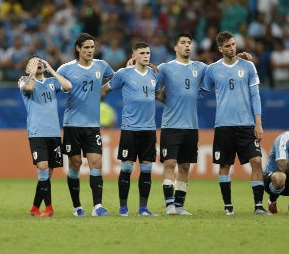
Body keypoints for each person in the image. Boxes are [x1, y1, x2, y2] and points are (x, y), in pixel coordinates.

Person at [201, 31, 269, 215]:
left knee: (256, 160)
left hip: (247, 124)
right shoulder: (213, 69)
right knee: (224, 165)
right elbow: (201, 91)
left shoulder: (248, 66)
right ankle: (228, 207)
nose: (232, 48)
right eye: (228, 46)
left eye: (233, 44)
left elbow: (255, 96)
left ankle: (258, 206)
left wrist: (258, 123)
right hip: (223, 125)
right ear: (220, 48)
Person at [57, 33, 115, 216]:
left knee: (96, 163)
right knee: (75, 164)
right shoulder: (66, 69)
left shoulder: (102, 66)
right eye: (87, 48)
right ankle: (77, 207)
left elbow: (116, 79)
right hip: (72, 124)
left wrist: (104, 90)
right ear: (78, 49)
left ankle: (98, 206)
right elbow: (55, 87)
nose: (90, 51)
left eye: (92, 47)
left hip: (92, 125)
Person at [101, 42, 159, 217]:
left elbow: (160, 94)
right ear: (134, 56)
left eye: (148, 53)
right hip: (130, 128)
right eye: (142, 53)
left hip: (149, 129)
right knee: (126, 168)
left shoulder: (154, 75)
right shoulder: (123, 74)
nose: (146, 56)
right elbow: (104, 90)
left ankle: (143, 208)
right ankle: (123, 208)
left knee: (147, 169)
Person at [156, 33, 208, 216]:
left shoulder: (200, 68)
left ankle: (179, 205)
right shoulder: (165, 68)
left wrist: (237, 58)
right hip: (171, 125)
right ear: (175, 47)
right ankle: (169, 205)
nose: (187, 46)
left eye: (189, 43)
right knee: (169, 163)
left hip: (191, 126)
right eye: (183, 43)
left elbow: (220, 70)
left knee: (185, 166)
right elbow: (149, 84)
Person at [19, 56, 72, 217]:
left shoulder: (51, 83)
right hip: (37, 133)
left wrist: (52, 70)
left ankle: (35, 208)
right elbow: (28, 89)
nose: (38, 64)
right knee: (42, 167)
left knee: (47, 173)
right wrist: (32, 74)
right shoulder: (23, 81)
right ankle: (49, 208)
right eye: (33, 63)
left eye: (40, 62)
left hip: (54, 133)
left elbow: (68, 86)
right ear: (28, 69)